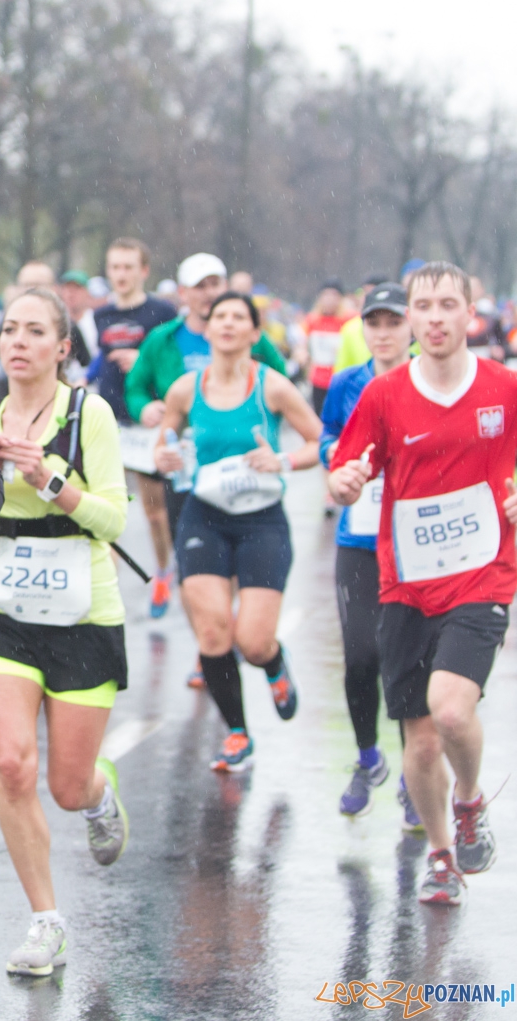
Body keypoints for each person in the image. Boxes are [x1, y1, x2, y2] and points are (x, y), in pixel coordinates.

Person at [329, 261, 506, 907]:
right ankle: (439, 854)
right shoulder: (383, 395)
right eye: (423, 306)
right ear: (412, 317)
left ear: (470, 314)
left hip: (482, 574)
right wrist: (346, 481)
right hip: (404, 582)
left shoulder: (504, 389)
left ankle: (470, 800)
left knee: (452, 710)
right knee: (422, 741)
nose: (434, 318)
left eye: (447, 305)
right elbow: (344, 470)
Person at [0, 288, 132, 977]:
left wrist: (48, 476)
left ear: (63, 347)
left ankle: (98, 793)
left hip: (82, 615)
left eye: (36, 331)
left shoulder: (88, 414)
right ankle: (46, 921)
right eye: (10, 329)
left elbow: (114, 518)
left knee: (66, 786)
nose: (19, 341)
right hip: (5, 612)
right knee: (12, 764)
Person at [155, 291, 321, 772]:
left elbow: (319, 442)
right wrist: (165, 457)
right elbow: (164, 445)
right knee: (212, 633)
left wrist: (282, 460)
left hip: (261, 521)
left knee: (251, 640)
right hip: (204, 516)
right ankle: (237, 732)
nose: (227, 324)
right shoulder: (185, 389)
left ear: (254, 332)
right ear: (207, 329)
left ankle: (272, 661)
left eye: (238, 317)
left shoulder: (274, 387)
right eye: (219, 317)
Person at [126, 252, 286, 624]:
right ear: (183, 293)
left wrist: (265, 431)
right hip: (185, 464)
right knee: (192, 553)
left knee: (235, 554)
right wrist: (145, 409)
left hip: (239, 462)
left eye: (215, 284)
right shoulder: (164, 339)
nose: (208, 293)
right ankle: (205, 622)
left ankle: (226, 626)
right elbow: (135, 386)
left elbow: (281, 383)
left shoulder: (250, 336)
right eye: (199, 287)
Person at [318, 282, 418, 823]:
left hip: (414, 539)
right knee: (361, 655)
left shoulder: (426, 380)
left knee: (407, 660)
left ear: (411, 326)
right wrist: (335, 454)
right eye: (373, 323)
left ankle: (415, 774)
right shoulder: (346, 384)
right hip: (359, 537)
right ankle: (367, 758)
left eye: (393, 322)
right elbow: (327, 437)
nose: (383, 333)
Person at [92, 237, 184, 617]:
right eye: (115, 267)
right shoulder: (101, 315)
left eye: (128, 267)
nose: (122, 274)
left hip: (146, 423)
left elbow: (171, 362)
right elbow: (99, 359)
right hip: (108, 419)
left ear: (144, 271)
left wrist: (142, 360)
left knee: (154, 511)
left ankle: (163, 570)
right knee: (105, 507)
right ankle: (107, 582)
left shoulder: (162, 312)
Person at [303, 279, 352, 413]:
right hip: (318, 379)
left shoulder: (348, 321)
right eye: (326, 295)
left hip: (340, 379)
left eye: (334, 295)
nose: (329, 299)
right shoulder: (312, 320)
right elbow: (304, 345)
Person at [59, 269, 97, 380]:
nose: (71, 294)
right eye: (67, 288)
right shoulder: (56, 323)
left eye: (77, 288)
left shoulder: (96, 321)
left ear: (87, 292)